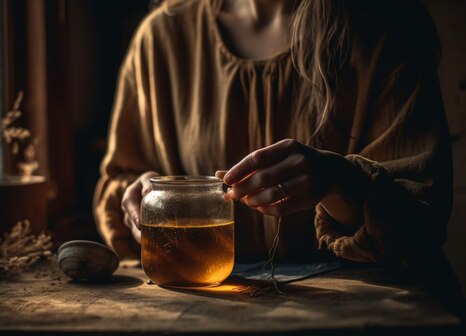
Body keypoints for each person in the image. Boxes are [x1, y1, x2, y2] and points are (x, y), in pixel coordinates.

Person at [93, 0, 453, 267]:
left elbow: (420, 218)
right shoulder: (161, 37)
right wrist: (141, 194)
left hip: (369, 316)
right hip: (205, 308)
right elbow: (121, 176)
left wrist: (340, 183)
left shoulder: (386, 23)